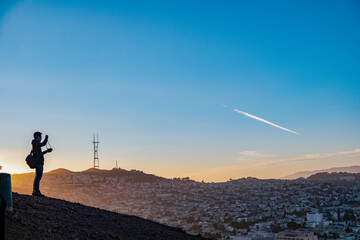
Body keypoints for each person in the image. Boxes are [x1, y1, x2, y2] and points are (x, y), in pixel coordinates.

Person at [31, 131, 53, 197]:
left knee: (37, 177)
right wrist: (46, 139)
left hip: (38, 162)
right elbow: (43, 144)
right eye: (40, 137)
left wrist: (47, 151)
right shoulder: (36, 143)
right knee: (38, 177)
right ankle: (36, 191)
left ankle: (35, 191)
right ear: (38, 137)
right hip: (39, 163)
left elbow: (40, 153)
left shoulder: (35, 144)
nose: (41, 138)